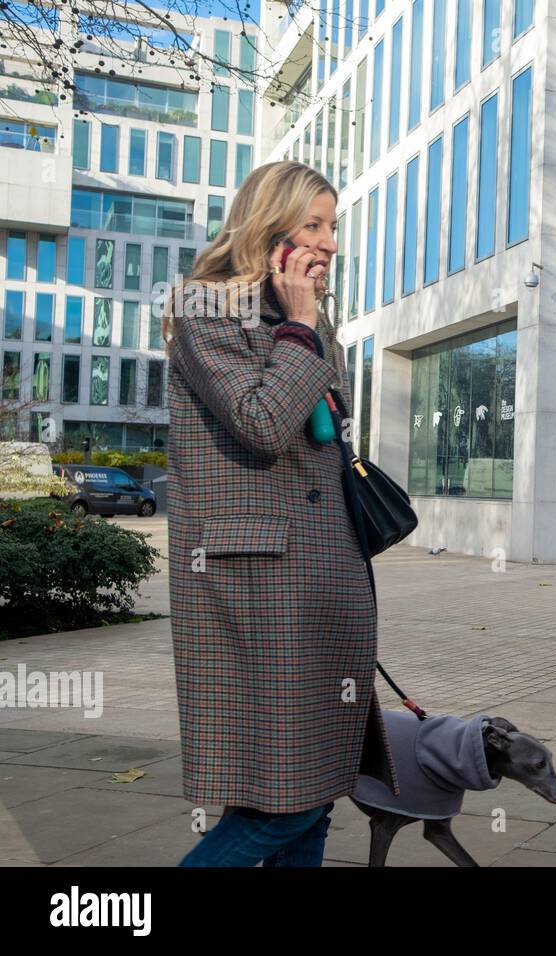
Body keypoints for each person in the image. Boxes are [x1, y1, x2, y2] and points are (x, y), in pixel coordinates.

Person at [163, 161, 398, 866]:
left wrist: (308, 326)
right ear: (270, 228)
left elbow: (325, 433)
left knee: (316, 793)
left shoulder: (314, 325)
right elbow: (262, 422)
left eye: (334, 228)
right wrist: (301, 326)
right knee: (280, 806)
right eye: (314, 225)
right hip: (257, 582)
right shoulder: (206, 309)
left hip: (324, 577)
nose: (329, 243)